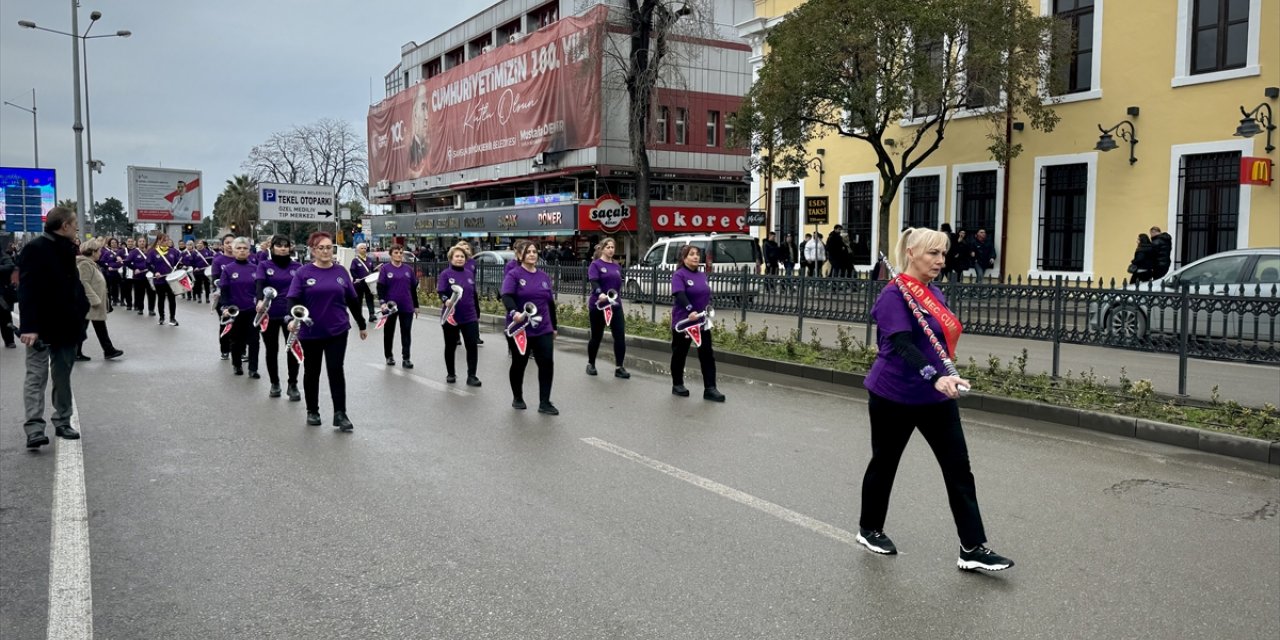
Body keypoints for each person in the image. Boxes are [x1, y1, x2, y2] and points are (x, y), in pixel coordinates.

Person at [856, 227, 1013, 572]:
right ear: (911, 252)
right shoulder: (893, 296)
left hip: (937, 397)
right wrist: (935, 376)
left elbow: (936, 342)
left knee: (959, 469)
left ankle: (972, 547)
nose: (941, 260)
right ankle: (870, 528)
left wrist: (947, 375)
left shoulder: (933, 293)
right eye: (933, 254)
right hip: (894, 393)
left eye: (943, 254)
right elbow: (902, 344)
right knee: (885, 463)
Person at [17, 206, 90, 449]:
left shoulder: (69, 248)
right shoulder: (35, 248)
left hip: (67, 324)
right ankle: (34, 428)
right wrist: (28, 326)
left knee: (63, 376)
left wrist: (82, 308)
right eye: (75, 223)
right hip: (40, 326)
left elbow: (72, 285)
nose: (77, 227)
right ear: (65, 225)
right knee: (36, 376)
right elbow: (26, 289)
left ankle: (62, 421)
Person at [287, 232, 368, 431]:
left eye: (329, 247)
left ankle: (340, 413)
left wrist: (362, 323)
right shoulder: (303, 273)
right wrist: (291, 319)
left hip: (337, 330)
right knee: (312, 372)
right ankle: (312, 410)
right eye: (320, 248)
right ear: (313, 251)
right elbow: (293, 299)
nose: (325, 251)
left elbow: (352, 300)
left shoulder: (341, 272)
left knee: (336, 370)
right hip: (311, 331)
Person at [501, 239, 559, 415]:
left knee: (547, 363)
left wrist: (554, 327)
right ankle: (517, 397)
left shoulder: (543, 277)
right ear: (520, 255)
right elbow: (506, 296)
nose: (532, 254)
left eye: (534, 251)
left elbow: (550, 304)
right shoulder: (514, 275)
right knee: (519, 363)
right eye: (528, 252)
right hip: (520, 328)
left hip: (543, 328)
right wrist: (514, 313)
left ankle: (545, 402)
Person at [670, 245, 725, 402]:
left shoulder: (701, 275)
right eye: (691, 254)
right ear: (684, 257)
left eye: (697, 254)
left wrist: (709, 306)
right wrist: (689, 310)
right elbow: (679, 294)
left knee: (707, 354)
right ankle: (678, 384)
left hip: (701, 321)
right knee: (680, 354)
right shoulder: (679, 275)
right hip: (685, 321)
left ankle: (710, 388)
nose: (695, 257)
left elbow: (705, 293)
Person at [256, 234, 303, 399]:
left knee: (292, 348)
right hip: (269, 314)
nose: (283, 248)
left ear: (290, 248)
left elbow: (303, 290)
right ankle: (275, 383)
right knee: (271, 349)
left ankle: (293, 384)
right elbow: (260, 284)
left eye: (286, 245)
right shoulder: (264, 265)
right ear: (272, 247)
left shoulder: (297, 267)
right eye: (279, 245)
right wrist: (260, 301)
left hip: (291, 315)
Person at [585, 237, 630, 379]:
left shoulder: (617, 266)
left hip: (615, 305)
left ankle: (619, 367)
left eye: (613, 247)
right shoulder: (596, 265)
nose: (611, 250)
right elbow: (594, 282)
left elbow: (617, 286)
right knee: (596, 336)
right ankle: (591, 363)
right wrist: (600, 294)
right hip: (599, 305)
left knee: (620, 336)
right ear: (603, 248)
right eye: (608, 247)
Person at [217, 237, 262, 378]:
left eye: (245, 248)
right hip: (235, 311)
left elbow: (260, 289)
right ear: (233, 250)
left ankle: (253, 368)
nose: (242, 251)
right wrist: (225, 307)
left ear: (249, 251)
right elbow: (224, 290)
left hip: (253, 311)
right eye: (239, 248)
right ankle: (237, 365)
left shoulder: (256, 269)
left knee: (254, 340)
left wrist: (261, 303)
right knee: (236, 339)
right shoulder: (228, 270)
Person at [438, 245, 481, 386]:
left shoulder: (469, 274)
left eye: (462, 256)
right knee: (450, 346)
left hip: (469, 316)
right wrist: (447, 301)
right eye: (457, 256)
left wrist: (477, 313)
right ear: (451, 258)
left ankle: (472, 375)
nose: (460, 259)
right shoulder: (445, 274)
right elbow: (441, 292)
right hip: (451, 316)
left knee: (472, 346)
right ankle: (451, 373)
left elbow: (473, 294)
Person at [75, 238, 124, 362]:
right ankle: (76, 352)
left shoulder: (91, 263)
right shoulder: (84, 264)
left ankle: (108, 350)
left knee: (98, 326)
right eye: (98, 251)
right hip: (89, 303)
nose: (100, 253)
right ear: (92, 252)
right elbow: (83, 282)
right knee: (82, 328)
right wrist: (94, 299)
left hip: (93, 302)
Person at [376, 244, 419, 368]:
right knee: (389, 332)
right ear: (391, 254)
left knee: (406, 332)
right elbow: (380, 288)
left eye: (400, 253)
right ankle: (389, 356)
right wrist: (383, 303)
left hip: (406, 305)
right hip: (390, 307)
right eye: (396, 252)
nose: (399, 255)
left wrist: (416, 306)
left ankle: (406, 358)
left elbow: (413, 289)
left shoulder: (408, 270)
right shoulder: (385, 269)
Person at [147, 233, 183, 326]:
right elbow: (148, 264)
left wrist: (180, 265)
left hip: (171, 280)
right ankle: (161, 317)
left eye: (167, 240)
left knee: (172, 299)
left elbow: (178, 263)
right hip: (159, 280)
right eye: (164, 240)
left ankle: (172, 318)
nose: (167, 242)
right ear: (159, 241)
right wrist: (155, 272)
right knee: (161, 299)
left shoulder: (173, 251)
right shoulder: (153, 252)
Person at [210, 234, 235, 360]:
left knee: (240, 326)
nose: (230, 245)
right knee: (225, 323)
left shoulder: (243, 258)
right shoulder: (218, 260)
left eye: (232, 242)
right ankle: (225, 350)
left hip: (240, 297)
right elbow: (215, 279)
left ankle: (240, 350)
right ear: (222, 245)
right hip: (223, 297)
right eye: (227, 242)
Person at [349, 243, 378, 319]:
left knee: (370, 298)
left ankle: (372, 314)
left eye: (365, 248)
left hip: (368, 283)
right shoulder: (355, 260)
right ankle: (359, 316)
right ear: (358, 250)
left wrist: (376, 269)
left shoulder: (369, 259)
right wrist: (356, 278)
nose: (364, 250)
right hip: (359, 284)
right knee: (359, 300)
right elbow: (352, 270)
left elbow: (372, 269)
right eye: (362, 248)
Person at [128, 236, 155, 316]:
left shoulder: (151, 251)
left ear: (146, 242)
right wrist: (134, 268)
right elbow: (127, 262)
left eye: (143, 241)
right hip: (139, 276)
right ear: (137, 243)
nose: (142, 243)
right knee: (140, 293)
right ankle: (140, 308)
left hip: (150, 276)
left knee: (151, 293)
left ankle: (151, 309)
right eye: (140, 241)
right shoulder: (134, 252)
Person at [1, 247, 18, 348]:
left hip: (2, 294)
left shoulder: (4, 257)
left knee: (5, 318)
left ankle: (9, 341)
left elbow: (10, 266)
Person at [99, 237, 124, 308]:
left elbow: (126, 260)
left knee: (122, 286)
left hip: (120, 272)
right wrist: (107, 267)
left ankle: (122, 300)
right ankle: (114, 300)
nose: (114, 244)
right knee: (113, 286)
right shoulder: (107, 253)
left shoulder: (121, 252)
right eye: (112, 243)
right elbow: (102, 261)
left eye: (115, 242)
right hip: (111, 272)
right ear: (110, 244)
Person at [188, 239, 214, 304]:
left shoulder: (208, 252)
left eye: (201, 243)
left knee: (206, 285)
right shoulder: (194, 253)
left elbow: (211, 261)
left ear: (203, 245)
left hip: (205, 271)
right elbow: (191, 262)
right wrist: (195, 267)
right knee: (198, 285)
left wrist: (210, 267)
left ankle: (207, 298)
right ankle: (199, 297)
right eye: (198, 243)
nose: (199, 245)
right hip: (197, 272)